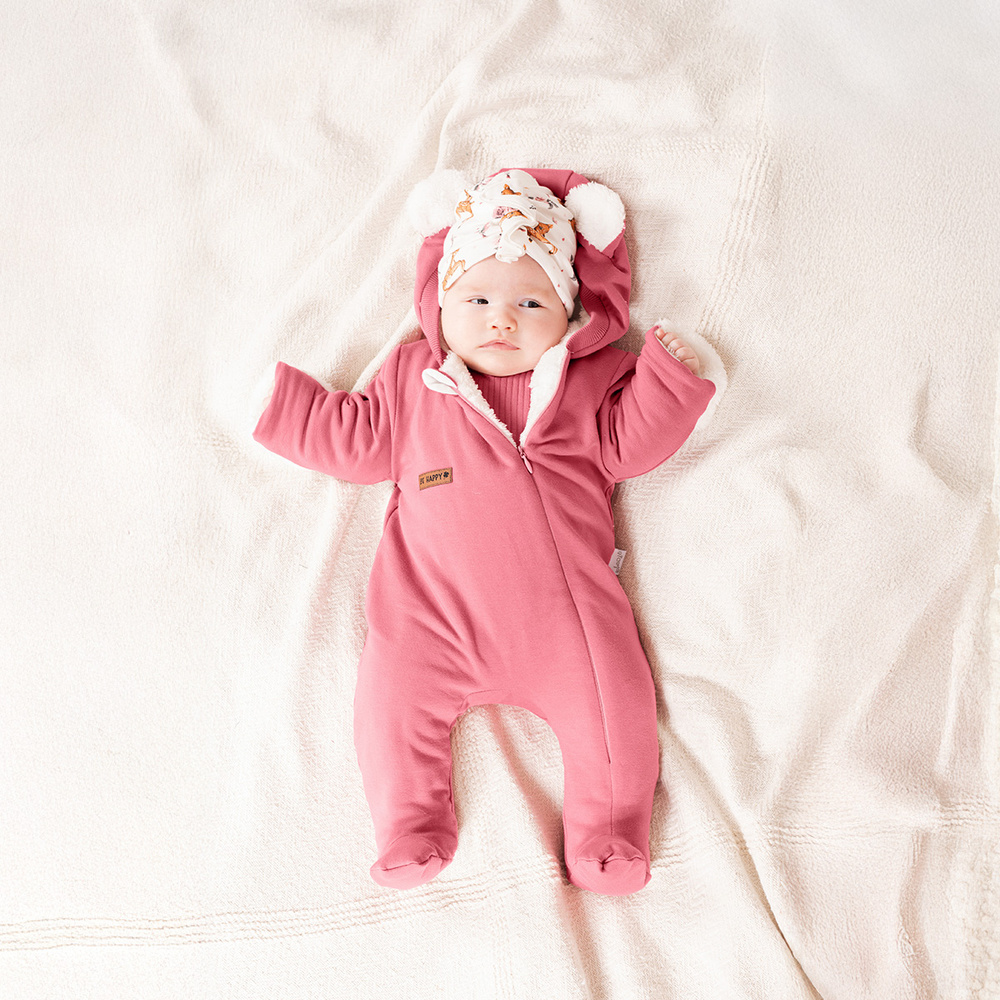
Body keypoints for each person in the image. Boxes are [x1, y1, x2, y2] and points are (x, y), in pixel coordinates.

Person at [253, 168, 718, 895]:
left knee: (615, 712)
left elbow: (632, 442)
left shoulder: (590, 380)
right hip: (430, 624)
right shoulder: (415, 380)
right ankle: (409, 825)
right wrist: (284, 409)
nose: (501, 320)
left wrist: (671, 380)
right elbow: (355, 437)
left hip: (567, 627)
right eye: (477, 300)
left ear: (572, 313)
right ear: (441, 303)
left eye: (530, 302)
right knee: (389, 707)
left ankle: (608, 835)